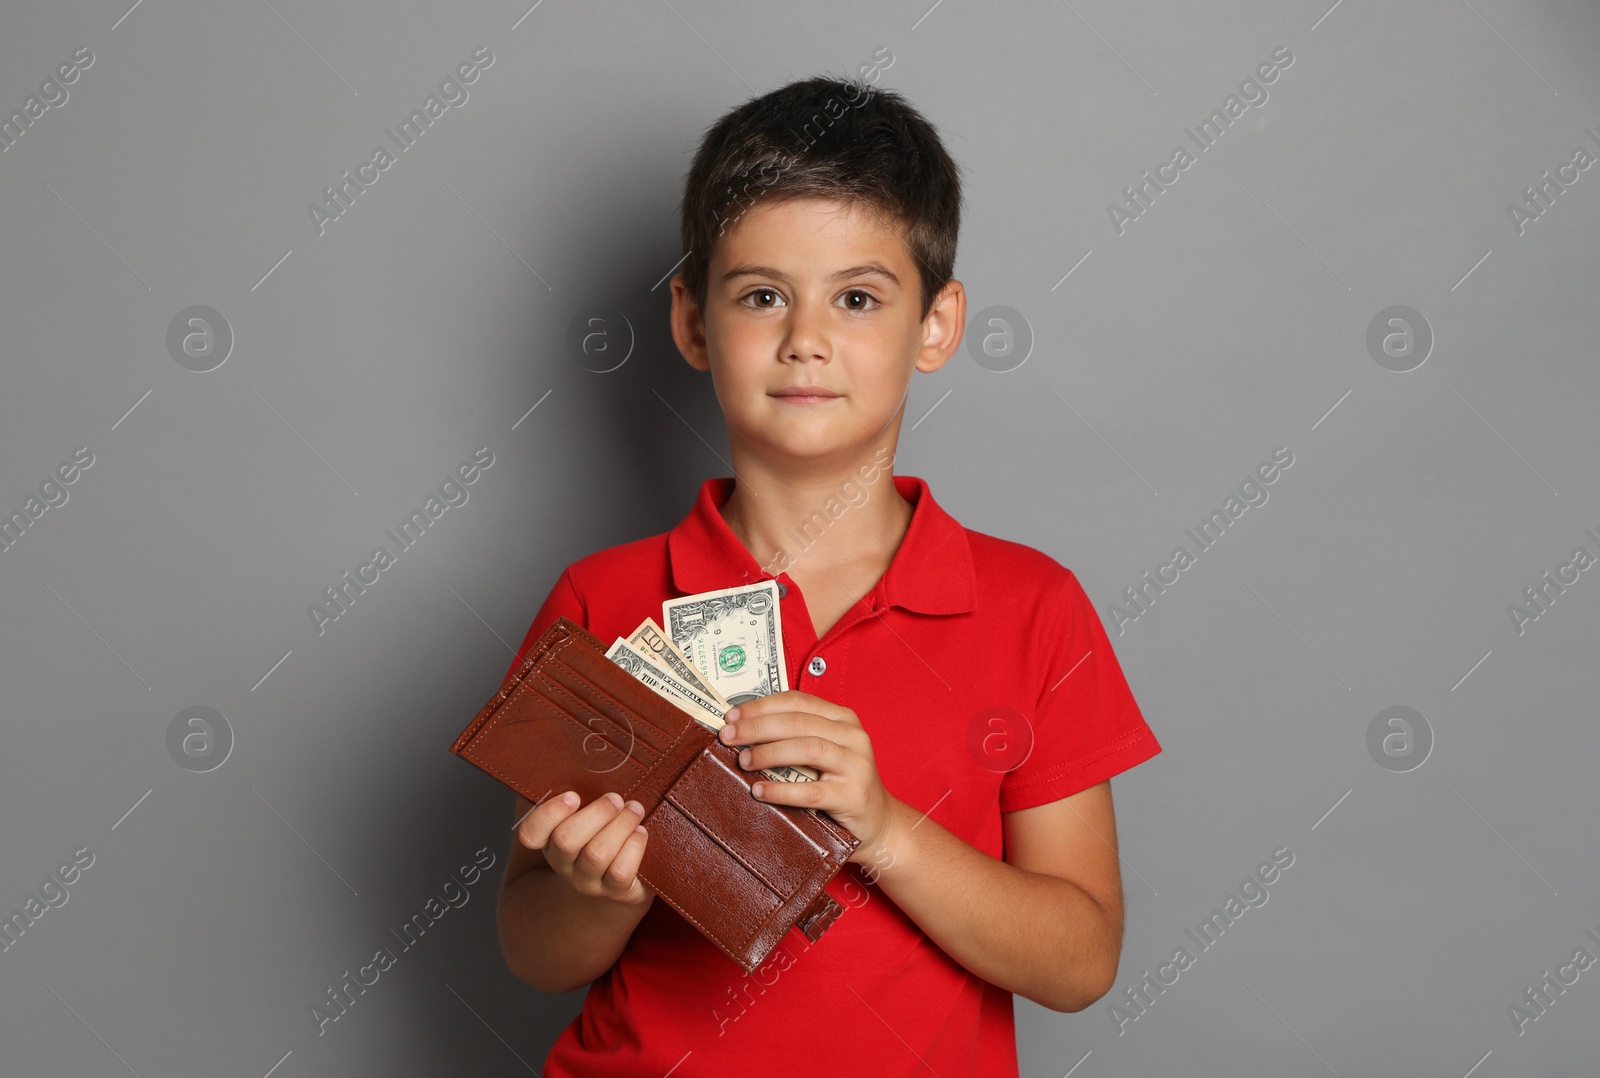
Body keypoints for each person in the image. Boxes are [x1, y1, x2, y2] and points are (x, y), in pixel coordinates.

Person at [494, 73, 1162, 1077]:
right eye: (762, 295)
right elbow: (533, 949)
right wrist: (601, 891)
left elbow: (1078, 961)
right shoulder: (601, 598)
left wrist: (884, 827)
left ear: (934, 325)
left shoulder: (1035, 609)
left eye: (856, 297)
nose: (805, 337)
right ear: (690, 322)